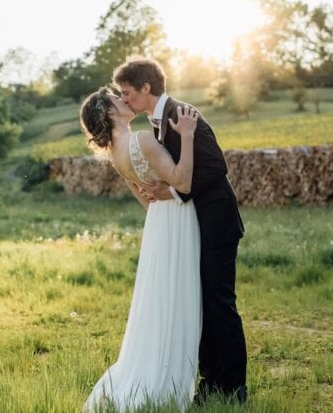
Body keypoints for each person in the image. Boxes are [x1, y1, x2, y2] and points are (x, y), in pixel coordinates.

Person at [113, 57, 248, 405]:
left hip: (216, 223)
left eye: (127, 93)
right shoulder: (158, 124)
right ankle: (210, 384)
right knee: (199, 304)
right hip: (195, 226)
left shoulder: (182, 114)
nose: (124, 100)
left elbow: (218, 167)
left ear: (146, 88)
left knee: (219, 304)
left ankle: (234, 389)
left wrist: (173, 191)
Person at [80, 87, 202, 412]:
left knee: (162, 299)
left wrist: (162, 196)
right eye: (116, 99)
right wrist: (187, 136)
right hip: (177, 220)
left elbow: (147, 203)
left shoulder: (117, 155)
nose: (124, 99)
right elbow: (183, 182)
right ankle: (171, 379)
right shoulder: (143, 141)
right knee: (180, 296)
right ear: (109, 113)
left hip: (158, 225)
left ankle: (161, 367)